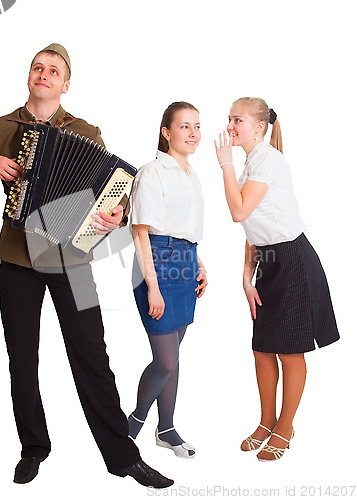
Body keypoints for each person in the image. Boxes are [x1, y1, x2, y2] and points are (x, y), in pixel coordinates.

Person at [0, 43, 173, 489]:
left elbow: (114, 195)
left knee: (92, 355)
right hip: (16, 259)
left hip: (74, 262)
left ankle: (123, 457)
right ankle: (33, 447)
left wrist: (116, 215)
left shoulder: (86, 131)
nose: (44, 74)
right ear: (28, 76)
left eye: (53, 71)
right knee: (22, 357)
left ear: (65, 85)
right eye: (37, 68)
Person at [214, 97, 340, 461]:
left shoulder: (268, 159)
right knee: (262, 347)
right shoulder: (251, 164)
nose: (231, 125)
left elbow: (239, 211)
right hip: (269, 261)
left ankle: (286, 426)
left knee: (289, 349)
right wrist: (246, 278)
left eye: (237, 119)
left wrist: (223, 165)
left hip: (294, 260)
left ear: (259, 126)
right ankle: (266, 421)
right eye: (229, 119)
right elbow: (253, 230)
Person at [128, 102, 207, 458]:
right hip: (157, 263)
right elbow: (141, 233)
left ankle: (167, 429)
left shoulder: (192, 175)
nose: (193, 134)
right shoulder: (152, 172)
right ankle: (132, 424)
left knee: (174, 354)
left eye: (197, 127)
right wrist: (154, 286)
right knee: (166, 361)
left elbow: (186, 231)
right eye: (185, 126)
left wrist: (200, 264)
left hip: (187, 263)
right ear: (166, 132)